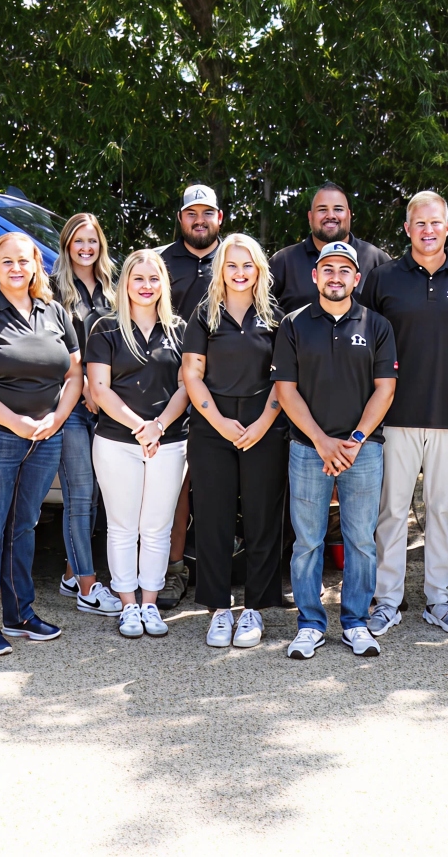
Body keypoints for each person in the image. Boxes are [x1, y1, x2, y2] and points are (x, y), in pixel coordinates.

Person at [0, 231, 82, 657]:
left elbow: (74, 374)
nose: (17, 268)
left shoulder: (56, 312)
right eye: (7, 261)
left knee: (23, 525)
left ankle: (20, 614)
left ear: (37, 267)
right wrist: (16, 422)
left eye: (25, 261)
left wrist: (56, 419)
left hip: (44, 436)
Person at [361, 190, 448, 638]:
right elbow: (365, 346)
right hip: (393, 415)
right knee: (391, 511)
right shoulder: (383, 279)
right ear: (408, 228)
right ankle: (388, 600)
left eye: (436, 223)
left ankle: (438, 598)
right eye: (420, 223)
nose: (428, 231)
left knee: (442, 511)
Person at [272, 241, 398, 659]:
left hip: (363, 449)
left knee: (361, 539)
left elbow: (386, 389)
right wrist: (322, 442)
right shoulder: (293, 324)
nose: (336, 277)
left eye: (345, 270)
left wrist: (356, 439)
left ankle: (356, 622)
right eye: (328, 269)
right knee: (307, 540)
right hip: (307, 449)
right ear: (315, 276)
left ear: (356, 278)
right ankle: (310, 624)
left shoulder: (377, 325)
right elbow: (286, 392)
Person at [182, 233, 287, 649]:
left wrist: (263, 422)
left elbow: (285, 379)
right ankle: (219, 611)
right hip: (213, 429)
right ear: (220, 270)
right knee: (213, 520)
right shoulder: (204, 314)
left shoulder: (275, 316)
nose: (240, 273)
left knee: (264, 520)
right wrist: (221, 422)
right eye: (231, 265)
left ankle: (255, 610)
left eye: (247, 265)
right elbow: (192, 374)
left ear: (258, 270)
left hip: (265, 427)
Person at [86, 249, 190, 639]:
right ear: (125, 283)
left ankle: (150, 604)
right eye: (138, 278)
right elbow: (99, 389)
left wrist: (159, 426)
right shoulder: (106, 329)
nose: (146, 286)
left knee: (157, 527)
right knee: (123, 527)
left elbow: (186, 386)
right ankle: (128, 606)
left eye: (153, 279)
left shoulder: (180, 330)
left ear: (163, 283)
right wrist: (140, 427)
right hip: (117, 441)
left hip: (170, 441)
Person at [49, 212, 124, 618]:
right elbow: (52, 348)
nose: (86, 247)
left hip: (107, 407)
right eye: (78, 240)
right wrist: (85, 392)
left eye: (92, 240)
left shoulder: (113, 292)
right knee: (79, 495)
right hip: (72, 406)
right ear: (67, 245)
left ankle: (69, 572)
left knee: (97, 496)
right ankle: (88, 587)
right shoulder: (53, 290)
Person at [157, 184, 223, 607]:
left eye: (207, 213)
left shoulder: (235, 259)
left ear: (220, 218)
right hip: (173, 388)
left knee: (229, 487)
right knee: (177, 487)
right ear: (181, 218)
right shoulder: (161, 262)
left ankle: (236, 573)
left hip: (233, 389)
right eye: (191, 213)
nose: (199, 220)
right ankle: (173, 570)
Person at [268, 182, 393, 317]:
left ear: (349, 215)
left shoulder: (375, 259)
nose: (331, 215)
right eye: (322, 210)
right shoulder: (284, 261)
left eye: (338, 209)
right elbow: (260, 313)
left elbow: (395, 313)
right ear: (310, 217)